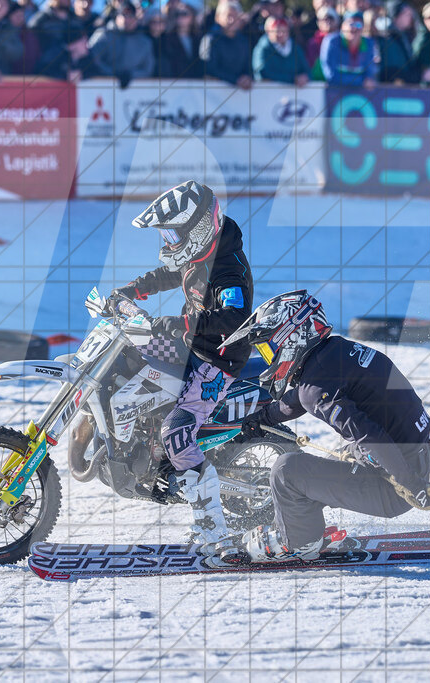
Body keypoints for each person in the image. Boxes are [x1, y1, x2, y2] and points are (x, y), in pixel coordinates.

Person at [224, 291, 430, 563]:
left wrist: (411, 484)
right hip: (410, 457)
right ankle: (303, 529)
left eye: (268, 349)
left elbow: (368, 434)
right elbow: (298, 398)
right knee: (313, 472)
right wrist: (262, 419)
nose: (269, 359)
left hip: (397, 482)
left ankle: (298, 542)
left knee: (286, 471)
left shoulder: (314, 387)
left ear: (292, 337)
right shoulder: (333, 352)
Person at [108, 180, 253, 559]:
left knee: (177, 433)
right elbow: (170, 275)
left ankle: (215, 533)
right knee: (127, 353)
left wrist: (183, 325)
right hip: (193, 343)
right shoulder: (199, 252)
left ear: (199, 228)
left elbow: (233, 315)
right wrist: (129, 292)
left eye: (173, 232)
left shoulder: (227, 269)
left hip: (215, 358)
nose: (169, 240)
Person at [88, 0, 153, 88]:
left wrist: (130, 75)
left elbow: (147, 69)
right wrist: (113, 74)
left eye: (130, 16)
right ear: (116, 17)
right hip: (102, 88)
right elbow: (92, 59)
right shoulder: (104, 35)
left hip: (135, 93)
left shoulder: (144, 42)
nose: (126, 19)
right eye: (123, 15)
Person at [28, 0, 85, 80]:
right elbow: (29, 41)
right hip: (47, 67)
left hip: (71, 64)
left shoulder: (74, 19)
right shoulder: (41, 19)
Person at [200, 0, 252, 88]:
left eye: (235, 16)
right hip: (213, 95)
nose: (231, 20)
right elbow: (209, 70)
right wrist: (235, 80)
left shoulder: (243, 41)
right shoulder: (209, 40)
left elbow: (248, 68)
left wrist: (247, 78)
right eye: (228, 16)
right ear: (218, 17)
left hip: (239, 96)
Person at [320, 11, 378, 88]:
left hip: (360, 96)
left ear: (363, 28)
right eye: (350, 24)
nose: (354, 28)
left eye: (358, 24)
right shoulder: (331, 42)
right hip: (334, 93)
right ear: (342, 26)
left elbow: (369, 74)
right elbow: (331, 74)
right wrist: (361, 82)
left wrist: (366, 80)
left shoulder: (369, 43)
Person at [252, 15, 308, 84]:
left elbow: (307, 71)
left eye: (284, 30)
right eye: (276, 31)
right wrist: (292, 79)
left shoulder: (296, 48)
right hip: (269, 93)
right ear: (268, 31)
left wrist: (305, 77)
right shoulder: (263, 49)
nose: (281, 34)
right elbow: (262, 73)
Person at [378, 1, 418, 83]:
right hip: (392, 90)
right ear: (396, 16)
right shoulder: (387, 39)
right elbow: (390, 71)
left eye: (411, 14)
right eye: (407, 14)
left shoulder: (405, 37)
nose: (410, 18)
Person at [159, 4, 202, 78]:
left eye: (184, 14)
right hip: (175, 83)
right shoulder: (166, 39)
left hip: (195, 83)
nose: (180, 17)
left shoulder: (199, 39)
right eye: (177, 14)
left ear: (192, 17)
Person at [0, 0, 25, 73]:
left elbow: (17, 52)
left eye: (3, 4)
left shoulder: (9, 27)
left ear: (7, 9)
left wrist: (1, 45)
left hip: (3, 75)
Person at [305, 5, 336, 70]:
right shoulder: (313, 43)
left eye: (331, 18)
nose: (328, 21)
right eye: (324, 19)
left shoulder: (343, 40)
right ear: (318, 23)